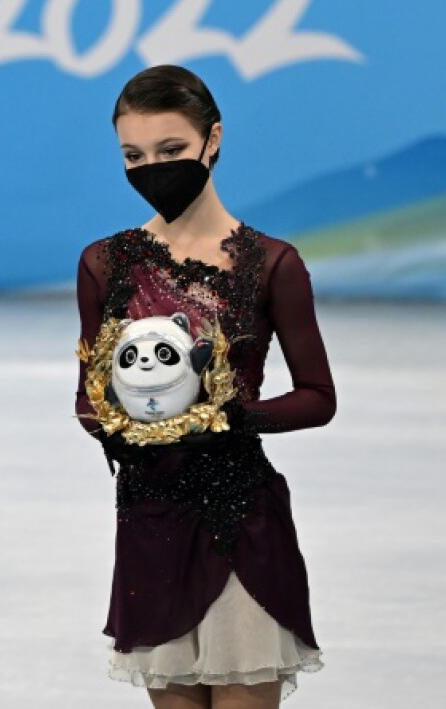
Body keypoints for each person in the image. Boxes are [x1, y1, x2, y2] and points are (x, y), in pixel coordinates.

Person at [75, 65, 335, 708]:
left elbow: (318, 397)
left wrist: (232, 418)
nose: (151, 168)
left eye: (170, 151)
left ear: (212, 140)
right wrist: (123, 424)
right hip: (150, 521)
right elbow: (89, 396)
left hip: (240, 519)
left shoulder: (271, 263)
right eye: (133, 155)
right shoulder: (105, 263)